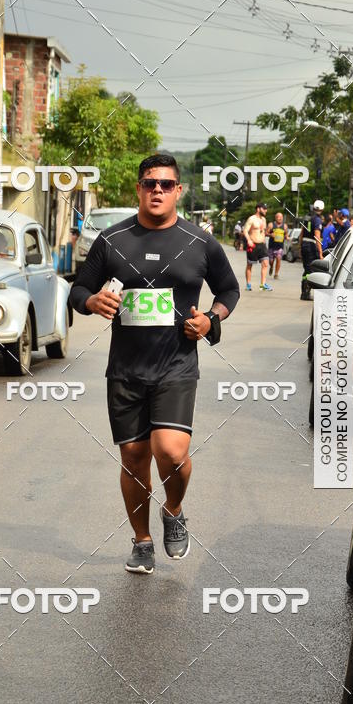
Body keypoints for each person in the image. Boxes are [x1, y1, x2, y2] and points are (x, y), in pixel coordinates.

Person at [69, 154, 240, 575]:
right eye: (149, 183)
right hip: (125, 370)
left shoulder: (199, 241)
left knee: (171, 451)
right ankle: (142, 541)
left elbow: (229, 290)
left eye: (166, 184)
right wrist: (91, 301)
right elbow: (78, 290)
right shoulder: (112, 240)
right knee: (134, 456)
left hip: (176, 367)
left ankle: (175, 509)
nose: (157, 190)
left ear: (178, 190)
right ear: (139, 189)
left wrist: (210, 320)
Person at [242, 202, 272, 291]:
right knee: (250, 264)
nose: (266, 210)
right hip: (253, 244)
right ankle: (248, 284)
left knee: (266, 263)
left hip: (262, 245)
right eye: (264, 208)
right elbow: (245, 231)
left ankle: (262, 285)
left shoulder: (264, 219)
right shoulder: (252, 219)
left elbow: (263, 231)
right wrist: (249, 240)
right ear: (258, 209)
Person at [300, 199, 324, 300]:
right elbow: (317, 236)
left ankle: (304, 293)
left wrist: (301, 246)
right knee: (311, 270)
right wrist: (321, 253)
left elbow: (301, 234)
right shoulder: (317, 219)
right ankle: (306, 293)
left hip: (304, 244)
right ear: (322, 209)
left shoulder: (307, 218)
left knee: (306, 270)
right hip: (311, 245)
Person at [267, 212, 288, 278]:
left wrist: (286, 237)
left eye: (281, 217)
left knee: (278, 259)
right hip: (272, 246)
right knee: (271, 261)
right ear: (276, 218)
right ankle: (271, 266)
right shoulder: (271, 225)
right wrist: (270, 235)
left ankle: (276, 274)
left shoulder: (284, 226)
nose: (280, 218)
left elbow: (286, 234)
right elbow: (265, 233)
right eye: (279, 217)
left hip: (280, 247)